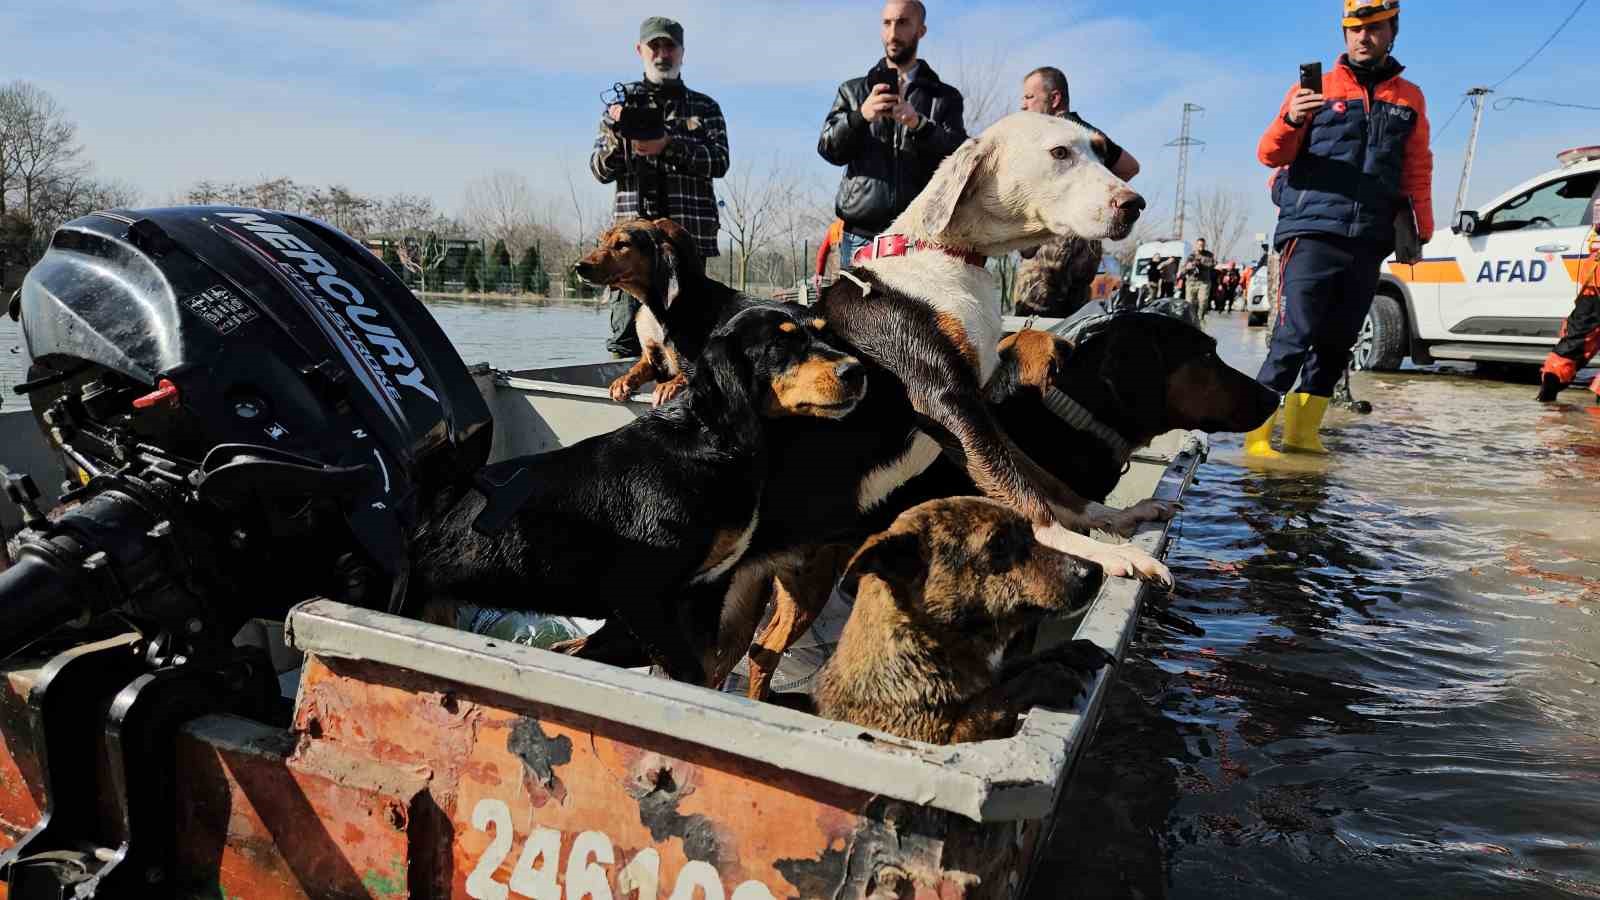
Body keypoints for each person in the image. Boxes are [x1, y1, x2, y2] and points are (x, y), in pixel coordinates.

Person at [1243, 0, 1433, 457]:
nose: (1363, 38)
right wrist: (1292, 118)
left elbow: (1417, 168)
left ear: (1393, 31)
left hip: (1369, 237)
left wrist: (1420, 229)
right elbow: (1270, 154)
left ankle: (1303, 434)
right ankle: (1255, 436)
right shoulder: (1315, 89)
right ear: (1344, 34)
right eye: (1354, 30)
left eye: (1373, 28)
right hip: (1310, 231)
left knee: (1337, 342)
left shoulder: (1410, 97)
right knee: (1293, 337)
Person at [591, 16, 730, 358]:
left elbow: (720, 162)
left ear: (682, 52)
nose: (662, 53)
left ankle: (691, 399)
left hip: (688, 243)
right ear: (640, 50)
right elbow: (598, 169)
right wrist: (621, 141)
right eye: (655, 46)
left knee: (694, 332)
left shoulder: (705, 107)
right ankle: (621, 397)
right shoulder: (618, 109)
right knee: (626, 334)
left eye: (670, 46)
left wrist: (668, 145)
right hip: (628, 248)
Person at [818, 0, 967, 268]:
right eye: (886, 23)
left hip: (919, 238)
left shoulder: (944, 97)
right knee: (856, 311)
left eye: (903, 23)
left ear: (921, 30)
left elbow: (961, 158)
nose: (893, 33)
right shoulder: (852, 91)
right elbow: (828, 148)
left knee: (917, 312)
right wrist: (860, 117)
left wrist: (919, 124)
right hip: (860, 235)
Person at [1013, 66, 1142, 318]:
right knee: (1072, 332)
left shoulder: (1054, 134)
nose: (1023, 106)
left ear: (1055, 98)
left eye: (1029, 97)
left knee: (1028, 331)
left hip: (1052, 243)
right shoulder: (1090, 135)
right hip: (1087, 245)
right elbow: (1130, 166)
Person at [1537, 195, 1600, 402]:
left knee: (1573, 344)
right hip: (1593, 283)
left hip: (1593, 283)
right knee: (1573, 344)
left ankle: (1547, 407)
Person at [1182, 238, 1216, 321]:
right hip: (1191, 282)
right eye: (1200, 245)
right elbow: (1182, 270)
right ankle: (1191, 318)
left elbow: (1212, 265)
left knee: (1203, 301)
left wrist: (1200, 264)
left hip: (1204, 282)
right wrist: (1187, 267)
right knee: (1189, 302)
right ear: (1196, 245)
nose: (1201, 246)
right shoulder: (1190, 256)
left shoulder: (1209, 255)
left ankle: (1200, 317)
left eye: (1203, 245)